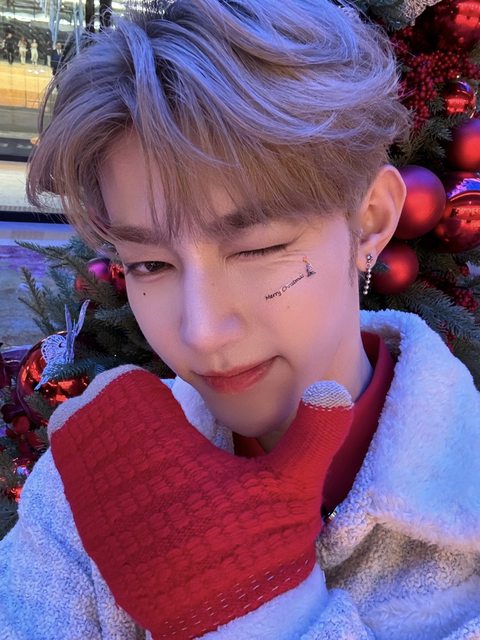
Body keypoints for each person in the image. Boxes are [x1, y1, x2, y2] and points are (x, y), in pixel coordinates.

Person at [3, 0, 480, 638]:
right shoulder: (92, 479)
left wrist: (247, 607)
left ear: (369, 222)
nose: (201, 332)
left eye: (257, 249)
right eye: (149, 264)